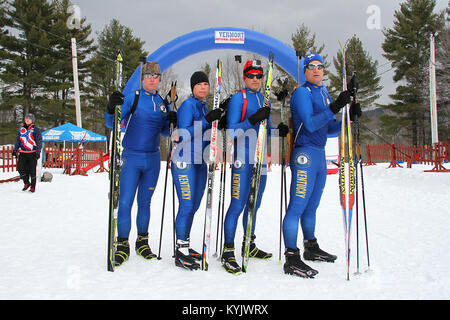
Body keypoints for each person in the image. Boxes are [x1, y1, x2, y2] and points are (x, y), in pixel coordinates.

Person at [282, 53, 361, 278]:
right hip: (304, 153)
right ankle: (291, 257)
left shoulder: (323, 92)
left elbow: (327, 129)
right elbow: (310, 123)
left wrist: (349, 119)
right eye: (311, 67)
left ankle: (311, 247)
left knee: (311, 207)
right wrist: (336, 106)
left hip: (319, 154)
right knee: (297, 207)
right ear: (305, 70)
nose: (316, 70)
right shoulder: (301, 93)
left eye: (320, 67)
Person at [105, 61, 177, 267]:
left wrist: (172, 119)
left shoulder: (162, 102)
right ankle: (122, 245)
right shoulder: (133, 98)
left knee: (145, 202)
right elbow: (112, 124)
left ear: (159, 79)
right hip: (132, 157)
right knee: (126, 202)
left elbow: (164, 131)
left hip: (153, 159)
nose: (152, 79)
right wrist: (111, 107)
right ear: (143, 79)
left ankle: (142, 243)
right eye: (148, 76)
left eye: (156, 76)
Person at [220, 59, 289, 274]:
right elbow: (232, 133)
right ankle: (228, 251)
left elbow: (264, 131)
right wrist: (252, 119)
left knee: (254, 206)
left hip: (261, 159)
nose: (256, 79)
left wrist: (278, 130)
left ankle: (248, 244)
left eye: (259, 76)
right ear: (245, 76)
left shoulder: (263, 98)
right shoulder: (238, 99)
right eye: (251, 75)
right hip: (242, 158)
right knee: (237, 205)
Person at [171, 71, 222, 270]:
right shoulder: (188, 105)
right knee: (186, 204)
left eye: (205, 84)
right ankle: (180, 249)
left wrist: (218, 123)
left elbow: (208, 134)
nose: (203, 87)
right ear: (192, 87)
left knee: (194, 205)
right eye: (199, 84)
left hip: (200, 162)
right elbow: (181, 134)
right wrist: (208, 120)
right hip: (184, 160)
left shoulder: (205, 107)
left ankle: (185, 243)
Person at [13, 113, 42, 193]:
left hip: (32, 153)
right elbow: (18, 140)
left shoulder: (36, 129)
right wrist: (15, 150)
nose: (27, 119)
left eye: (29, 118)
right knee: (20, 168)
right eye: (26, 118)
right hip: (22, 152)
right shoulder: (21, 129)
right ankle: (26, 183)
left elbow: (39, 142)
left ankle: (33, 186)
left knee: (32, 170)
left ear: (32, 120)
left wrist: (38, 152)